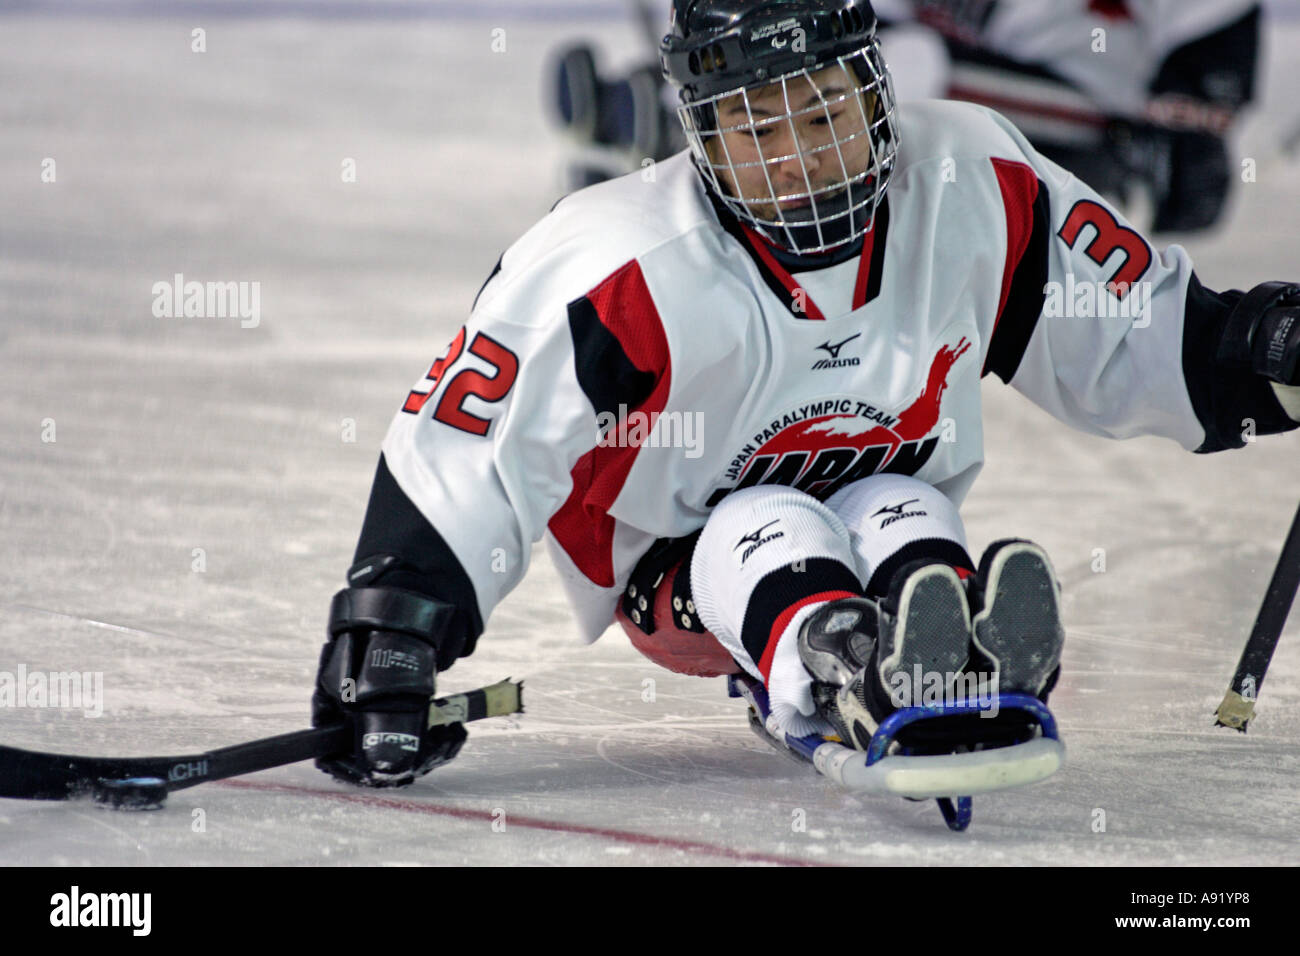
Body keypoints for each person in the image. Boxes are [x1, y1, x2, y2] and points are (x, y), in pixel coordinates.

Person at [311, 0, 1299, 788]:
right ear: (696, 133)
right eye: (752, 128)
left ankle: (940, 642)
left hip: (886, 486)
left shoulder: (976, 181)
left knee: (904, 507)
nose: (794, 160)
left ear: (877, 92)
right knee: (773, 520)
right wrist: (392, 628)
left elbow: (1131, 326)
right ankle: (830, 667)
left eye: (821, 113)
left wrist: (1251, 348)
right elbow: (474, 438)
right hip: (676, 559)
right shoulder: (617, 257)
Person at [552, 0, 1262, 232]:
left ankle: (681, 135)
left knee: (902, 66)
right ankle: (700, 151)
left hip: (1095, 121)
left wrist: (1185, 133)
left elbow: (1214, 47)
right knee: (868, 55)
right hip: (951, 94)